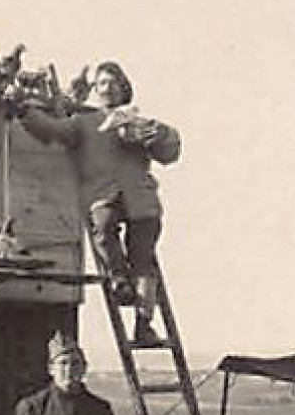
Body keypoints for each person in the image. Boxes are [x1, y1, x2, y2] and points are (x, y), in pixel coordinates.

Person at [13, 61, 181, 346]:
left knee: (144, 259)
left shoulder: (137, 121)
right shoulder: (84, 122)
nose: (109, 88)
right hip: (103, 194)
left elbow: (169, 152)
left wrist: (161, 135)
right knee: (103, 227)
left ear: (124, 88)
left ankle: (144, 325)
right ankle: (119, 281)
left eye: (115, 83)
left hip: (140, 197)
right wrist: (24, 110)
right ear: (94, 89)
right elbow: (51, 130)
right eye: (102, 83)